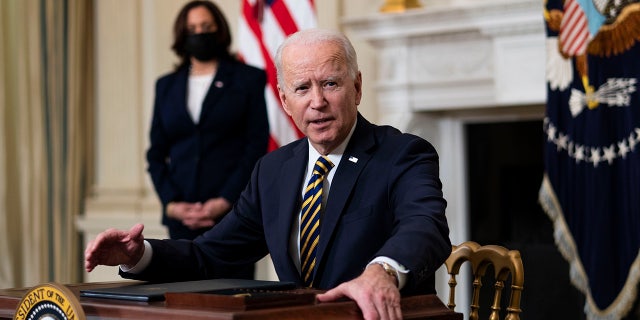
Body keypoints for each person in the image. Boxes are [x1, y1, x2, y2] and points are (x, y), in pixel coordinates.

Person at [86, 28, 451, 320]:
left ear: (356, 88)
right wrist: (139, 255)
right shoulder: (273, 170)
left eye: (330, 83)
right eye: (303, 88)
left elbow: (425, 226)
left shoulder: (403, 154)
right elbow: (212, 255)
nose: (317, 102)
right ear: (284, 100)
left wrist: (382, 271)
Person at [146, 0, 269, 279]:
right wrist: (172, 204)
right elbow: (156, 154)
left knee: (231, 299)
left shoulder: (248, 79)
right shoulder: (166, 86)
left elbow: (255, 147)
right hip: (181, 220)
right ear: (182, 35)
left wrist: (225, 200)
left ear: (220, 31)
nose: (199, 33)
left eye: (206, 27)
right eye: (192, 29)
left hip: (232, 215)